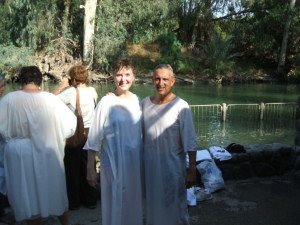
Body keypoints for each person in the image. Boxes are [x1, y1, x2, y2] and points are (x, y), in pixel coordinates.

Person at [0, 66, 76, 225]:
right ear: (40, 80)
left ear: (22, 80)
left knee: (26, 193)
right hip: (47, 149)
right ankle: (64, 223)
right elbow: (70, 124)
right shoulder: (51, 99)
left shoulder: (9, 99)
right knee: (54, 187)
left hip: (19, 152)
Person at [84, 59, 143, 225]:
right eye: (118, 74)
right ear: (113, 76)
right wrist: (90, 169)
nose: (123, 79)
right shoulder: (106, 102)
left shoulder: (139, 101)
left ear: (134, 76)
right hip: (112, 164)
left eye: (127, 74)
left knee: (132, 208)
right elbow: (94, 138)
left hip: (134, 166)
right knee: (114, 209)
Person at [142, 64, 197, 225]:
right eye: (157, 79)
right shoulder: (144, 104)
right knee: (152, 210)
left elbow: (191, 141)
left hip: (172, 172)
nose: (161, 83)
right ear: (152, 80)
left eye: (165, 79)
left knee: (175, 211)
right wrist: (113, 96)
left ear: (172, 82)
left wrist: (192, 170)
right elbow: (126, 110)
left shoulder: (181, 106)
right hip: (150, 172)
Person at [54, 65, 98, 210]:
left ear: (73, 79)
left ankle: (74, 202)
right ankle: (90, 200)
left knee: (72, 167)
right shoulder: (92, 91)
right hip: (90, 133)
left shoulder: (71, 93)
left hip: (74, 133)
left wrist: (61, 87)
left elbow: (49, 102)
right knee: (88, 165)